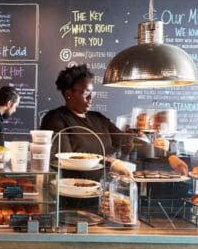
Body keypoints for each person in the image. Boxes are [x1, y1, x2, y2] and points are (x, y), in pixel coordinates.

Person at [40, 64, 188, 176]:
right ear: (68, 94)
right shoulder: (56, 119)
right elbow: (66, 159)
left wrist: (170, 158)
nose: (91, 97)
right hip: (71, 195)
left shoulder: (98, 118)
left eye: (92, 92)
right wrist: (111, 163)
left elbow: (128, 142)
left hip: (104, 190)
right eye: (86, 92)